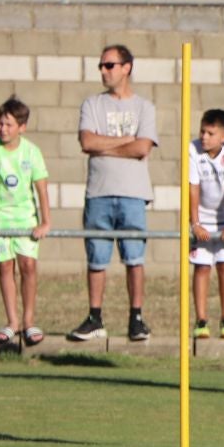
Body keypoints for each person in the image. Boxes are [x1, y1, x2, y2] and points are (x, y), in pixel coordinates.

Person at [69, 45, 157, 343]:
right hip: (99, 192)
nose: (104, 71)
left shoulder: (144, 107)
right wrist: (125, 142)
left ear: (126, 67)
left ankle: (136, 318)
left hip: (133, 193)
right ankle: (95, 317)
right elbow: (87, 141)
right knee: (97, 258)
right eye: (102, 65)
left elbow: (142, 147)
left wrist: (108, 144)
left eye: (109, 65)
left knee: (135, 257)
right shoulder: (92, 104)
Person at [0, 98, 51, 348]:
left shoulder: (32, 152)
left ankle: (29, 322)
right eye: (1, 124)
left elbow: (41, 188)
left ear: (22, 127)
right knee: (5, 268)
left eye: (9, 124)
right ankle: (12, 322)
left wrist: (45, 221)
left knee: (28, 266)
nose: (3, 129)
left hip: (25, 219)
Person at [188, 108, 224, 340]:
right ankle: (201, 320)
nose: (204, 137)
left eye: (210, 133)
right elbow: (193, 187)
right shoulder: (192, 149)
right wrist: (195, 223)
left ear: (223, 136)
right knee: (201, 268)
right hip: (202, 217)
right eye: (202, 131)